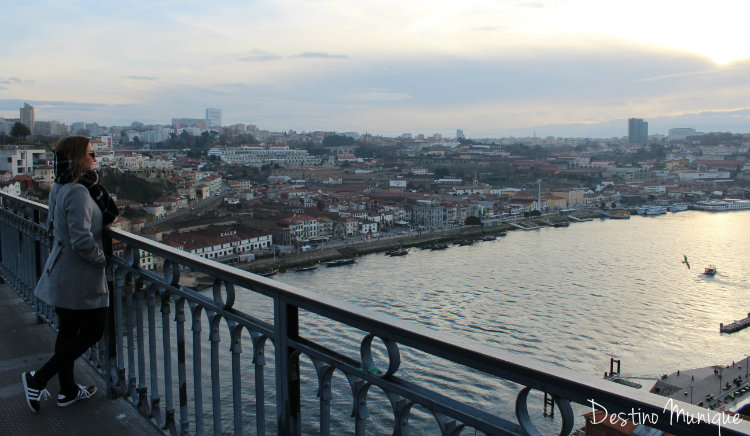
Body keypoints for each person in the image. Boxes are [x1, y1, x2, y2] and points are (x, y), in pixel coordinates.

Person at [22, 136, 119, 413]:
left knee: (67, 331)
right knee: (93, 331)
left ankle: (67, 390)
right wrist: (102, 261)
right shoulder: (78, 191)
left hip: (62, 268)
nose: (95, 158)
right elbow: (81, 240)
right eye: (91, 154)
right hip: (79, 274)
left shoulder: (60, 185)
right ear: (78, 158)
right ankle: (37, 379)